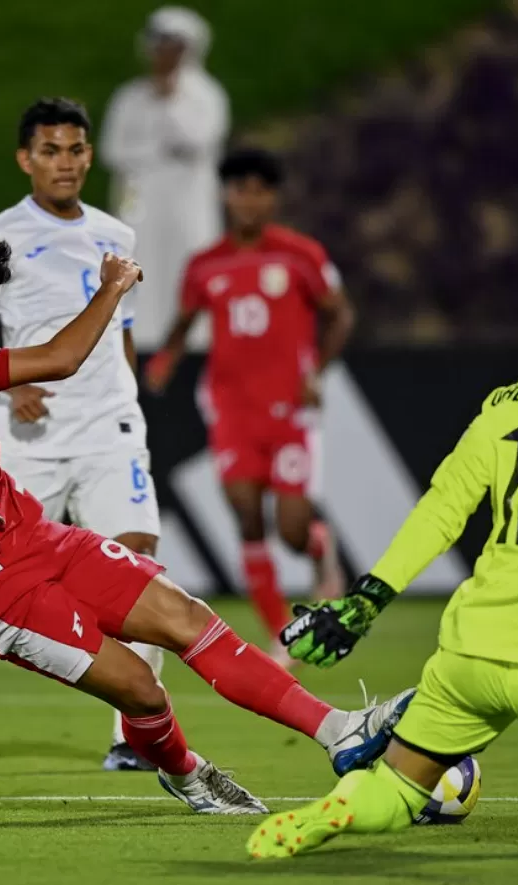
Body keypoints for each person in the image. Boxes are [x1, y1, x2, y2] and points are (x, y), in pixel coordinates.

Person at [0, 220, 413, 812]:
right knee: (140, 690)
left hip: (37, 533)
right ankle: (189, 774)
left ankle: (339, 730)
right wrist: (113, 287)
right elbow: (60, 357)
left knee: (186, 617)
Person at [247, 246, 518, 858]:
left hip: (469, 657)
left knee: (396, 791)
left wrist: (366, 600)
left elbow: (441, 510)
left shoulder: (505, 405)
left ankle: (332, 811)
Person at [0, 97, 165, 772]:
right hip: (32, 434)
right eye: (51, 151)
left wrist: (127, 397)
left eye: (76, 150)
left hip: (109, 426)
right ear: (25, 159)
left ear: (90, 156)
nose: (65, 163)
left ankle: (136, 732)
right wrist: (10, 384)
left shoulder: (118, 233)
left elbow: (125, 332)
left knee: (138, 556)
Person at [145, 148, 355, 667]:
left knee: (289, 528)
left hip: (289, 411)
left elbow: (341, 315)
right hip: (231, 408)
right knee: (244, 515)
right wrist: (167, 356)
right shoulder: (205, 263)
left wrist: (315, 371)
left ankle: (318, 543)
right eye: (239, 188)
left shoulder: (300, 254)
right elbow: (186, 315)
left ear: (273, 197)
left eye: (260, 189)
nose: (249, 199)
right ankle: (282, 632)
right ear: (225, 194)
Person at [99, 6, 228, 349]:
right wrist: (156, 152)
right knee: (139, 269)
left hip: (188, 205)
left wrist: (170, 99)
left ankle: (195, 346)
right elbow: (112, 150)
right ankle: (137, 342)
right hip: (138, 204)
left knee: (189, 269)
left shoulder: (205, 95)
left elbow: (197, 140)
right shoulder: (130, 97)